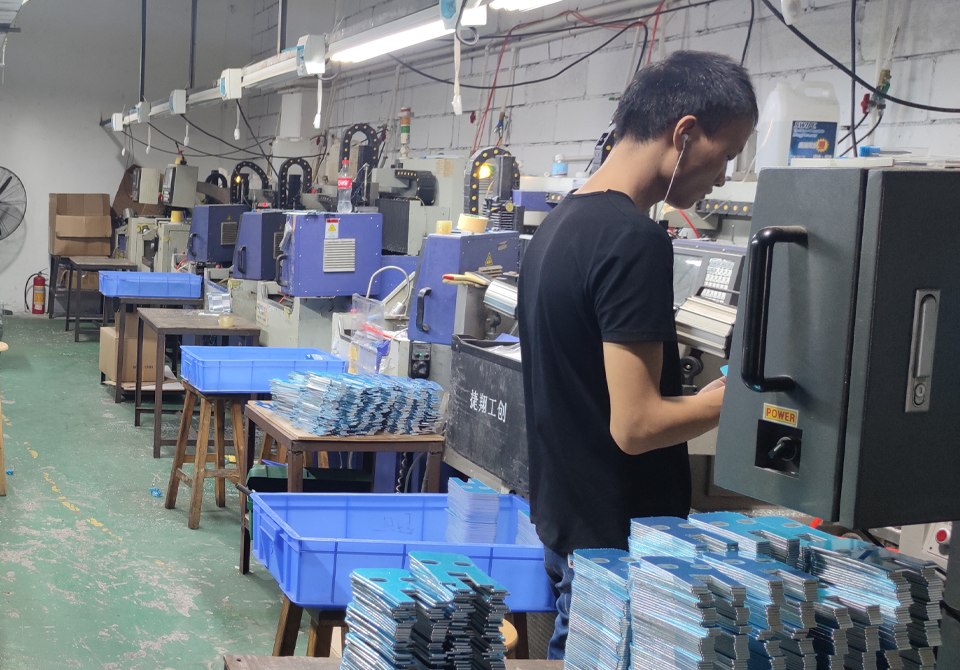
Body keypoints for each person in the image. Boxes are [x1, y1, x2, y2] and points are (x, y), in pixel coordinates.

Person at [517, 50, 758, 660]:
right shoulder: (634, 240)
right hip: (616, 547)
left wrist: (699, 400)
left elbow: (594, 394)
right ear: (684, 133)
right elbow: (636, 425)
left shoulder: (559, 225)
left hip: (570, 525)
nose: (723, 178)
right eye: (725, 155)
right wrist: (738, 401)